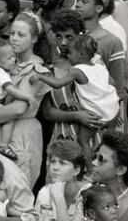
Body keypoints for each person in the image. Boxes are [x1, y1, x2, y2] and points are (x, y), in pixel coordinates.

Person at [0, 13, 52, 186]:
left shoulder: (35, 69)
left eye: (21, 35)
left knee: (15, 185)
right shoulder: (5, 65)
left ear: (34, 39)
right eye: (12, 33)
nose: (14, 39)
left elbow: (18, 109)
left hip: (21, 132)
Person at [32, 34, 120, 162]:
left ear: (82, 54)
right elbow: (113, 84)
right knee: (108, 142)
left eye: (71, 53)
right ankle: (104, 165)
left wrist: (40, 77)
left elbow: (58, 84)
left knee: (83, 141)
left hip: (95, 114)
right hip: (112, 110)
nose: (68, 56)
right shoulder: (100, 67)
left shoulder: (76, 70)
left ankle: (90, 170)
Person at [39, 10, 102, 149]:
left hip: (92, 136)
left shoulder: (94, 63)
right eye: (59, 37)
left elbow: (109, 94)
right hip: (62, 138)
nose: (63, 42)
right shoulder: (50, 67)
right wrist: (76, 115)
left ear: (80, 35)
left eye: (69, 37)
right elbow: (48, 112)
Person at [72, 0, 126, 101]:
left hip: (100, 112)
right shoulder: (72, 38)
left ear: (99, 8)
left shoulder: (112, 42)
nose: (78, 4)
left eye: (84, 1)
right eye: (78, 0)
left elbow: (118, 88)